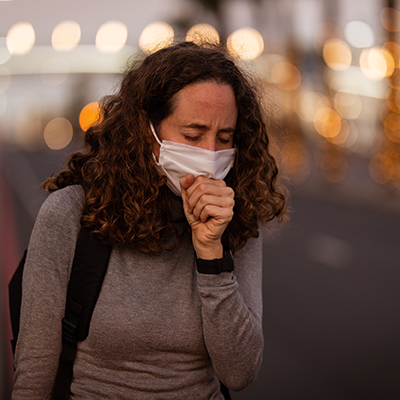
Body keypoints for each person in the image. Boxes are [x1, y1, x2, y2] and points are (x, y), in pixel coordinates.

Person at [12, 41, 287, 399]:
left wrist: (211, 253)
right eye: (192, 135)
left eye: (224, 138)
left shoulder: (233, 217)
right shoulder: (72, 215)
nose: (210, 156)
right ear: (147, 131)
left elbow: (240, 371)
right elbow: (34, 373)